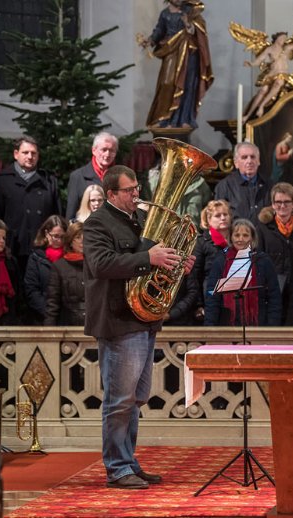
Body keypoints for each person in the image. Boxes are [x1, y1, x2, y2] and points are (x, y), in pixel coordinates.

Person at [84, 164, 194, 489]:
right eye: (130, 190)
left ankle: (128, 462)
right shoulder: (96, 223)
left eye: (136, 188)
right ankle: (117, 468)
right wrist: (150, 257)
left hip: (143, 320)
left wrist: (175, 264)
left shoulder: (140, 220)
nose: (137, 194)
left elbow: (152, 263)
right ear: (112, 194)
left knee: (136, 398)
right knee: (119, 400)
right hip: (118, 320)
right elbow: (101, 264)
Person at [0, 135, 62, 274]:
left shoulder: (49, 181)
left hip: (41, 248)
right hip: (12, 248)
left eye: (34, 153)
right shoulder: (3, 181)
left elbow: (56, 216)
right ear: (16, 154)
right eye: (25, 152)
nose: (30, 156)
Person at [139, 0, 213, 129]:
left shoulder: (190, 11)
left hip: (189, 53)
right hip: (171, 50)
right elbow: (159, 30)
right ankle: (165, 118)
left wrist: (188, 24)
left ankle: (184, 118)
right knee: (167, 83)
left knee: (187, 85)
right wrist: (150, 41)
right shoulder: (165, 14)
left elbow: (199, 29)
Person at [257, 182, 293, 326]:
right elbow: (259, 257)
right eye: (278, 202)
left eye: (286, 202)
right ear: (272, 204)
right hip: (273, 285)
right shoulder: (263, 227)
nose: (282, 206)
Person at [204, 219, 282, 327]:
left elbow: (274, 297)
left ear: (252, 238)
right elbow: (212, 296)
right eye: (237, 235)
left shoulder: (263, 260)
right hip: (226, 324)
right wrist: (210, 327)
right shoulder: (221, 260)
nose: (240, 239)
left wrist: (272, 327)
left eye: (245, 235)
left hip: (258, 324)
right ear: (231, 237)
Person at [242, 28, 293, 120]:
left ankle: (261, 106)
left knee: (278, 83)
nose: (283, 41)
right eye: (282, 38)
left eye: (284, 39)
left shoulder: (286, 48)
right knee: (263, 90)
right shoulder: (269, 49)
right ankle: (247, 115)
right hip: (271, 74)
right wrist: (251, 64)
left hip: (282, 74)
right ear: (277, 38)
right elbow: (259, 60)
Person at [192, 200, 232, 323]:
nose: (223, 218)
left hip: (232, 295)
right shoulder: (202, 242)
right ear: (208, 219)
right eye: (218, 215)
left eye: (225, 214)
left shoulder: (237, 238)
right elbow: (195, 275)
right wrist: (198, 304)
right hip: (210, 297)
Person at [24, 215, 68, 324]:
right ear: (46, 234)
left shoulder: (70, 256)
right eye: (55, 236)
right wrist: (49, 313)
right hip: (42, 317)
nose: (59, 240)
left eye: (63, 237)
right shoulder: (36, 258)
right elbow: (31, 290)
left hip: (67, 317)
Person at [214, 142, 270, 226]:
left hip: (264, 237)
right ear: (236, 163)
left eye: (253, 157)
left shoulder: (270, 185)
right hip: (236, 236)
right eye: (244, 157)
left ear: (258, 161)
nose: (249, 161)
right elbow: (217, 219)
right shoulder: (224, 186)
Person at [66, 132, 119, 220]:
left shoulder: (120, 176)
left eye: (112, 150)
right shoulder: (78, 176)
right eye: (104, 149)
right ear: (94, 150)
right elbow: (71, 214)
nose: (107, 154)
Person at [44, 222, 86, 326]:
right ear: (70, 241)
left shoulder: (98, 264)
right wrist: (49, 330)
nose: (83, 241)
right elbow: (53, 301)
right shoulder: (59, 267)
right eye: (78, 237)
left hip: (95, 324)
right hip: (69, 324)